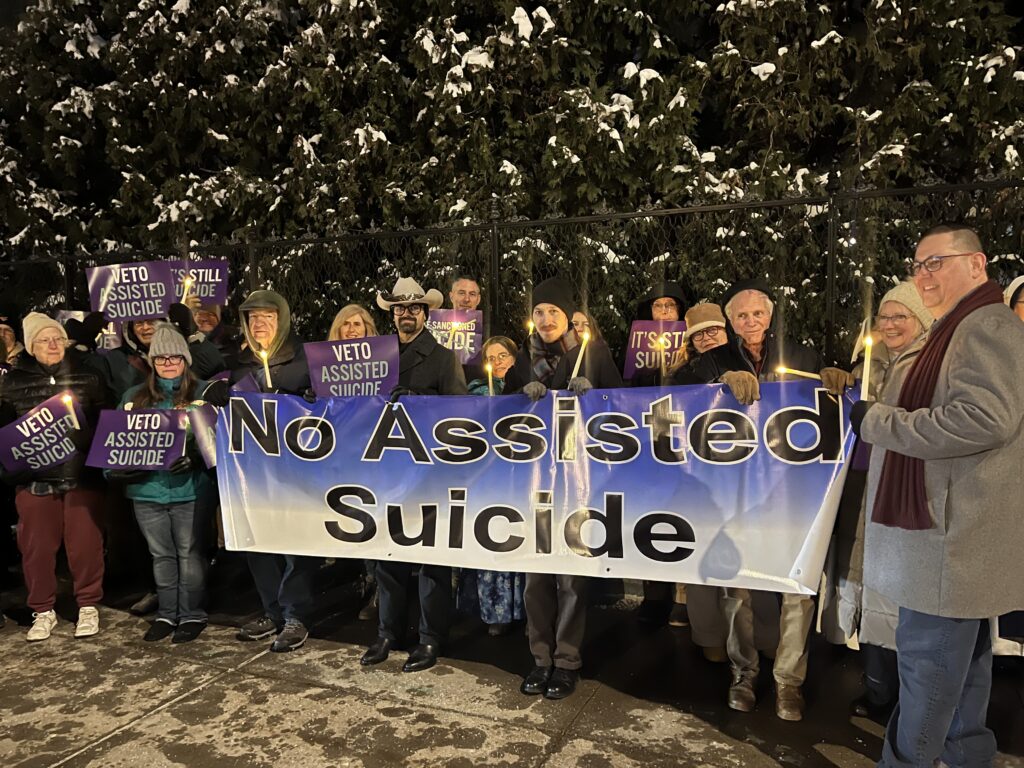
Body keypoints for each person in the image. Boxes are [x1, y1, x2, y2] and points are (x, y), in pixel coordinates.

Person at [851, 224, 1024, 767]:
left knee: (927, 672)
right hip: (948, 538)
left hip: (948, 543)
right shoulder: (957, 327)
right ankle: (968, 757)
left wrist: (879, 421)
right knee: (964, 669)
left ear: (977, 264)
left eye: (936, 263)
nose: (922, 275)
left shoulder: (984, 326)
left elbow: (984, 419)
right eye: (918, 264)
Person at [688, 278, 847, 721]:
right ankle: (744, 672)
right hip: (733, 493)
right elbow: (683, 395)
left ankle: (787, 683)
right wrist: (721, 379)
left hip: (792, 494)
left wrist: (838, 384)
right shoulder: (714, 358)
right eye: (741, 315)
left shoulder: (802, 356)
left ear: (771, 315)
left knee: (797, 589)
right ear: (730, 321)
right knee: (735, 588)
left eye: (758, 313)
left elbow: (827, 403)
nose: (751, 322)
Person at [503, 277, 624, 700]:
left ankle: (567, 660)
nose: (545, 319)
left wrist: (595, 397)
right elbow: (500, 416)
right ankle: (540, 658)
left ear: (568, 317)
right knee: (536, 579)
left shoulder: (593, 354)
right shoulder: (523, 358)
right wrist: (520, 395)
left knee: (571, 580)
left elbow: (622, 409)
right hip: (534, 485)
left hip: (579, 484)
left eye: (553, 311)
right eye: (539, 312)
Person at [822, 281, 933, 721]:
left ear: (921, 321)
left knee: (904, 593)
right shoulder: (866, 366)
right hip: (860, 488)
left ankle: (912, 698)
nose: (889, 325)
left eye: (899, 316)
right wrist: (840, 383)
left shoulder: (933, 366)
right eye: (883, 318)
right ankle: (879, 689)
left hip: (905, 492)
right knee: (863, 582)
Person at [361, 277, 468, 673]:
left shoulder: (442, 357)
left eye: (415, 308)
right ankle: (389, 631)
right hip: (384, 470)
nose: (407, 313)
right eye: (400, 308)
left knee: (429, 561)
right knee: (387, 556)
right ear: (392, 313)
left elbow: (460, 415)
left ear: (425, 313)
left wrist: (423, 403)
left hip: (427, 473)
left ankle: (430, 637)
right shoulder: (373, 358)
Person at [208, 289, 317, 652]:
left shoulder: (304, 358)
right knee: (260, 543)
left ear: (282, 318)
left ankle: (295, 613)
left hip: (296, 472)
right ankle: (271, 610)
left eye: (267, 317)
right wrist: (218, 396)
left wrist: (310, 400)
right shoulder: (240, 362)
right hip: (252, 475)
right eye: (253, 318)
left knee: (296, 544)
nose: (259, 324)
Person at [0, 313, 109, 641]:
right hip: (35, 482)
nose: (53, 344)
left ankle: (88, 605)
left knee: (85, 546)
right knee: (36, 549)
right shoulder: (11, 383)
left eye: (58, 338)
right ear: (31, 346)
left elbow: (106, 423)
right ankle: (43, 610)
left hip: (80, 480)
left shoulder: (88, 377)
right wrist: (10, 468)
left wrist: (87, 440)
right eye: (44, 340)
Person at [108, 323, 211, 643]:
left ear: (185, 361)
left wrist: (196, 459)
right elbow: (114, 446)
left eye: (175, 357)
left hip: (189, 490)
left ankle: (192, 614)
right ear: (152, 362)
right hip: (147, 491)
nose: (168, 363)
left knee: (190, 555)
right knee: (161, 556)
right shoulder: (132, 398)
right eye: (161, 358)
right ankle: (167, 614)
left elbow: (217, 442)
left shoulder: (201, 394)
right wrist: (115, 471)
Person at [459, 335, 526, 635]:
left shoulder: (522, 389)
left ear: (514, 359)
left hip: (518, 474)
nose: (497, 362)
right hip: (486, 477)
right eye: (491, 358)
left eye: (503, 356)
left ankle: (523, 610)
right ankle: (493, 611)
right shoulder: (475, 393)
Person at [326, 303, 380, 621]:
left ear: (368, 330)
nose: (352, 330)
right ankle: (363, 577)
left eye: (358, 324)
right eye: (346, 324)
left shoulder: (382, 363)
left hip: (373, 451)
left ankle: (375, 585)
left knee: (372, 518)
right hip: (341, 452)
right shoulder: (325, 366)